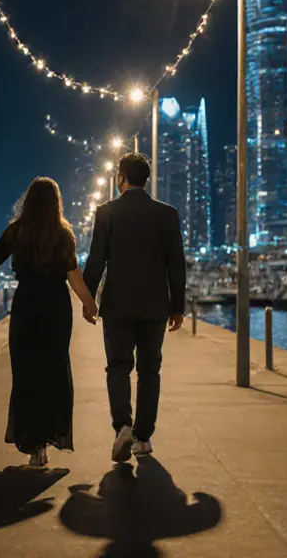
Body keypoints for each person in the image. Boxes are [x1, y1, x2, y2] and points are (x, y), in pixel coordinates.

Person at [0, 176, 99, 468]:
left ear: (29, 202)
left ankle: (33, 446)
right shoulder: (64, 235)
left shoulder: (17, 232)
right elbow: (74, 276)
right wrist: (90, 305)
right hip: (56, 311)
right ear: (56, 204)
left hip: (26, 308)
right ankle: (48, 442)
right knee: (53, 373)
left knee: (27, 375)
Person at [82, 152, 186, 463]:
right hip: (155, 307)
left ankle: (122, 426)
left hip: (117, 306)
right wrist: (177, 307)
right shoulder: (167, 215)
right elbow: (176, 266)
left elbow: (96, 260)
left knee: (118, 368)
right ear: (146, 179)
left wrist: (89, 301)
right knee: (150, 370)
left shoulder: (107, 212)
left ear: (121, 178)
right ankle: (143, 437)